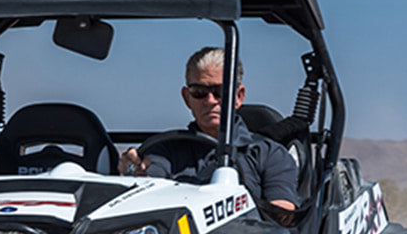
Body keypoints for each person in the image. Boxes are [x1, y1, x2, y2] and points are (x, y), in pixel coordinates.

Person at [119, 47, 298, 211]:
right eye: (199, 92)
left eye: (220, 91)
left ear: (238, 97)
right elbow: (149, 191)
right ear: (187, 98)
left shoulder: (268, 154)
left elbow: (282, 214)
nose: (210, 100)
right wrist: (133, 173)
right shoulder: (166, 150)